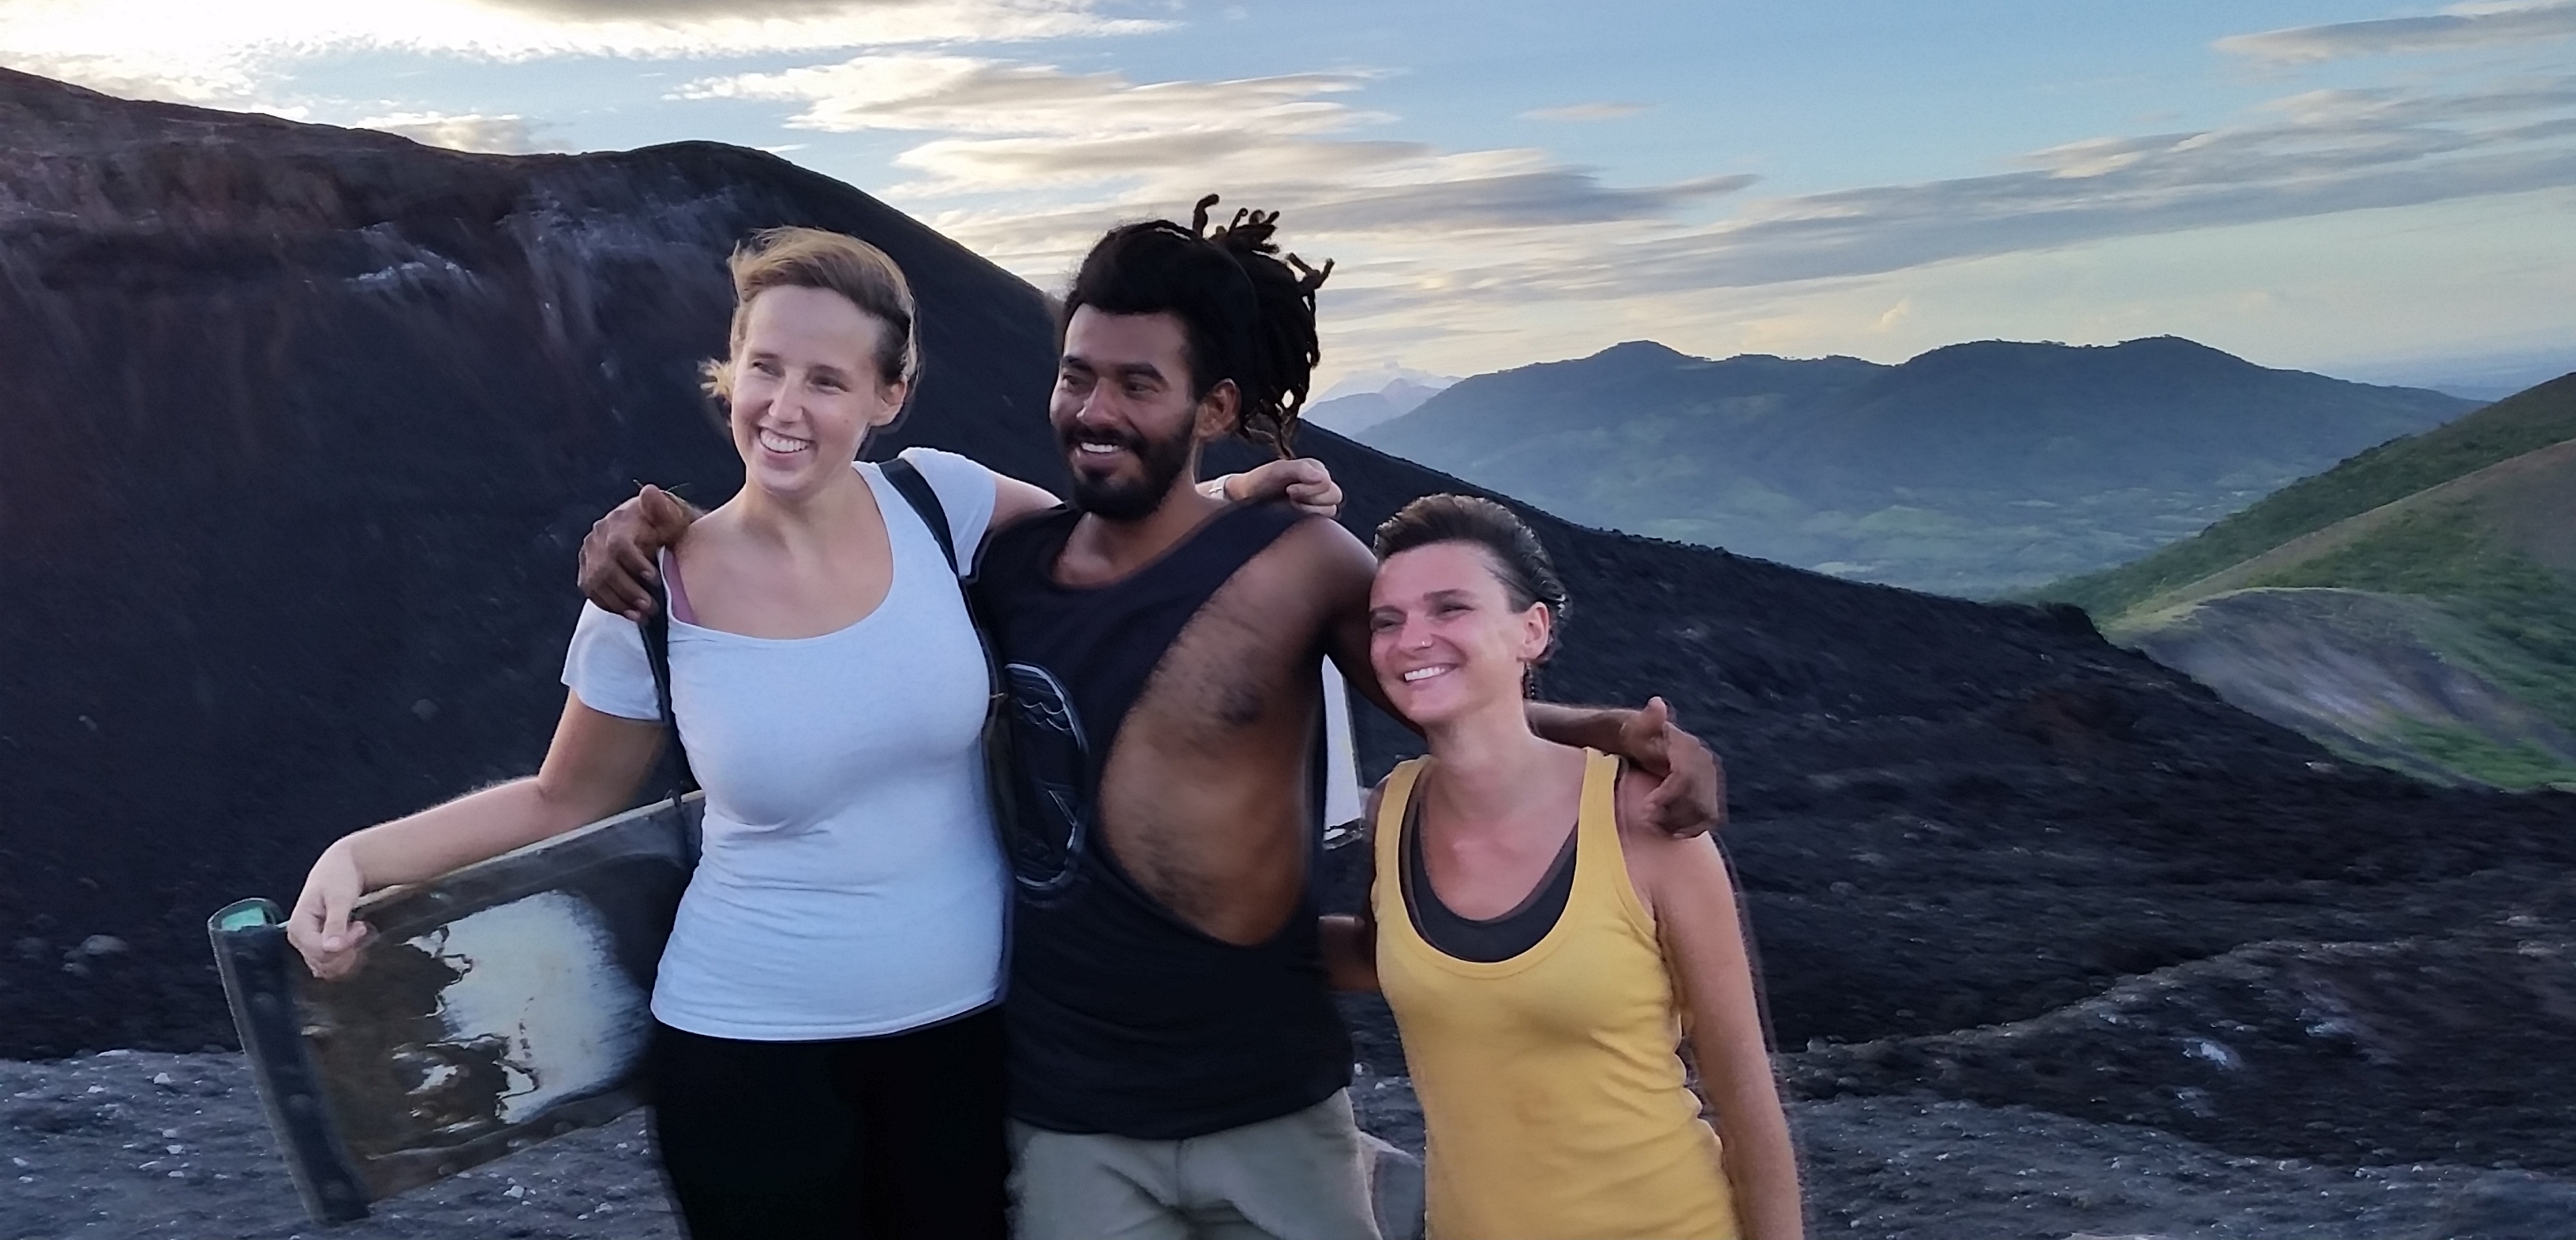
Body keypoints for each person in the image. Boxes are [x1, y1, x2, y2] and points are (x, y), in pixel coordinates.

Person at [582, 198, 1725, 1240]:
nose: (1095, 410)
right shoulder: (1007, 563)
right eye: (1077, 377)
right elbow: (836, 568)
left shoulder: (1298, 563)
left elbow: (1449, 707)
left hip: (1269, 1105)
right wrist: (654, 527)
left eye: (1138, 384)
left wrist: (1613, 736)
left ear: (1214, 406)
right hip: (1065, 1119)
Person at [284, 227, 1336, 1240]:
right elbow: (566, 796)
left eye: (828, 381)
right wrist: (358, 856)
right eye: (765, 368)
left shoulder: (940, 503)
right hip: (749, 1055)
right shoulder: (652, 591)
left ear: (888, 396)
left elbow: (1104, 547)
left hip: (966, 1045)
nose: (786, 408)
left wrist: (1230, 493)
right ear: (730, 374)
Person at [1323, 494, 1802, 1240]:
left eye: (1450, 608)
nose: (1412, 639)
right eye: (1388, 621)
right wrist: (1175, 932)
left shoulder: (1643, 822)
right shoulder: (1396, 811)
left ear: (1533, 630)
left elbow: (1746, 1098)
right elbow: (1377, 954)